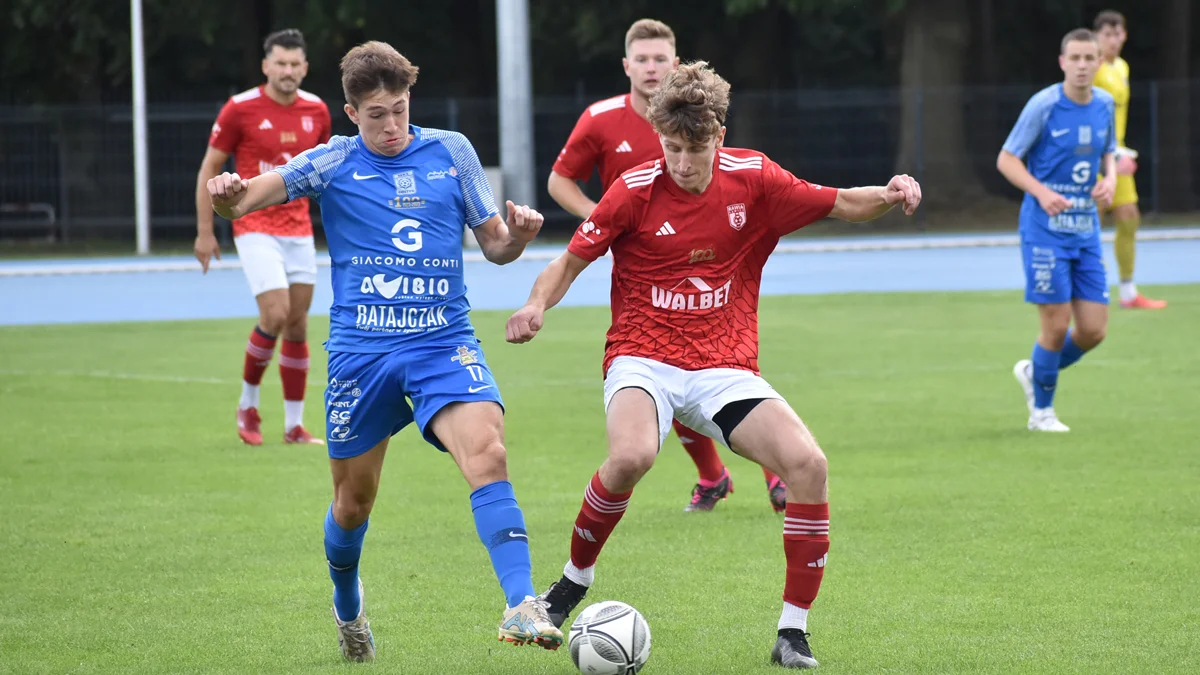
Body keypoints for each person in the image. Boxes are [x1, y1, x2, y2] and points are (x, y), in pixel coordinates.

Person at [506, 61, 922, 669]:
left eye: (694, 150)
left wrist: (888, 193)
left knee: (808, 465)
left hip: (724, 364)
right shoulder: (634, 189)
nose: (681, 162)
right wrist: (535, 305)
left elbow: (841, 202)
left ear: (719, 137)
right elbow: (568, 262)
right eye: (671, 147)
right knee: (631, 457)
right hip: (642, 355)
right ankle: (570, 585)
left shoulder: (755, 178)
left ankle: (792, 634)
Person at [205, 41, 562, 662]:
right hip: (361, 354)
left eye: (399, 110)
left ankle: (521, 603)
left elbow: (496, 246)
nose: (391, 125)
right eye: (376, 115)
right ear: (351, 113)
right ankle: (348, 609)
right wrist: (224, 193)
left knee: (489, 452)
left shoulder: (452, 152)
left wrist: (520, 238)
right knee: (353, 504)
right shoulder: (332, 161)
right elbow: (242, 201)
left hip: (442, 342)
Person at [548, 18, 787, 514]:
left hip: (704, 258)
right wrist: (600, 219)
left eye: (660, 59)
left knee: (716, 364)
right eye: (642, 59)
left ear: (675, 64)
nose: (651, 67)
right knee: (658, 371)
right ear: (626, 66)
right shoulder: (600, 119)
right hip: (641, 267)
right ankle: (713, 475)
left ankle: (774, 473)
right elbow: (559, 180)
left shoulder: (693, 117)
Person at [194, 28, 333, 445]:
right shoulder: (239, 109)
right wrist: (205, 231)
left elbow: (326, 172)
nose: (288, 71)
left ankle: (293, 426)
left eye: (295, 64)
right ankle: (248, 405)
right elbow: (210, 169)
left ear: (305, 68)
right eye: (280, 63)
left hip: (299, 227)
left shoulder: (317, 110)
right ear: (265, 66)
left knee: (297, 325)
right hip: (254, 224)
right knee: (275, 314)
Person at [998, 29, 1117, 433]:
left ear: (1099, 62)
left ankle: (1036, 371)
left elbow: (1108, 151)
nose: (1082, 65)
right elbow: (1007, 159)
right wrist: (1042, 192)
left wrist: (1110, 179)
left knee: (1094, 329)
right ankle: (1042, 413)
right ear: (1063, 62)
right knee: (1055, 323)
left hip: (1086, 230)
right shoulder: (1045, 105)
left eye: (1089, 58)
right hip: (1044, 231)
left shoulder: (1104, 104)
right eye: (1075, 58)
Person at [1093, 10, 1166, 310]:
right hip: (1095, 156)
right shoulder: (1093, 68)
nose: (1112, 40)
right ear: (1097, 36)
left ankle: (1127, 292)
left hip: (1117, 154)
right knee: (1090, 223)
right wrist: (1108, 153)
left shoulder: (1122, 66)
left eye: (1117, 33)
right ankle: (1091, 289)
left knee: (1129, 217)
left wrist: (1119, 150)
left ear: (1124, 35)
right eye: (1106, 34)